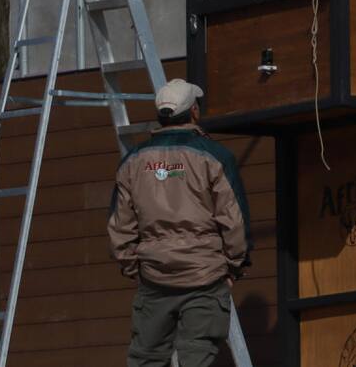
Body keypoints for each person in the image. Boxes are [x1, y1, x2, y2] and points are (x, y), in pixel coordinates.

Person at [108, 78, 252, 367]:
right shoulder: (214, 157)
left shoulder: (133, 162)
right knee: (196, 357)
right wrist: (234, 266)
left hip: (154, 278)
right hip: (205, 277)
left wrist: (133, 267)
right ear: (194, 112)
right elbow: (234, 221)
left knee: (146, 359)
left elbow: (120, 225)